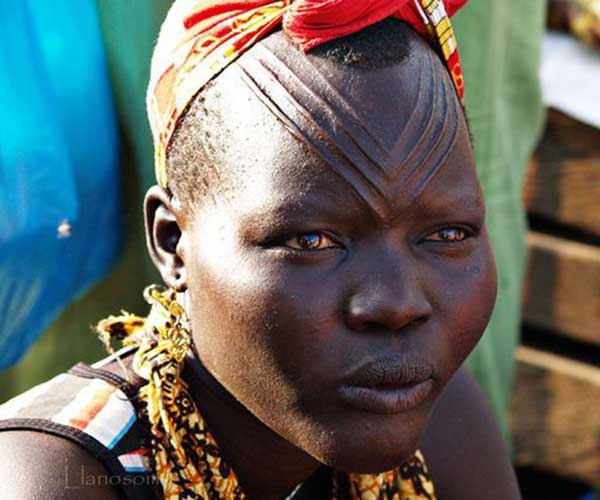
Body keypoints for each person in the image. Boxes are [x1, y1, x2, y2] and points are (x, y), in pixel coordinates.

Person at [0, 1, 522, 498]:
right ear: (173, 241)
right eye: (310, 241)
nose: (397, 304)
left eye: (447, 234)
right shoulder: (54, 481)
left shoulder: (437, 419)